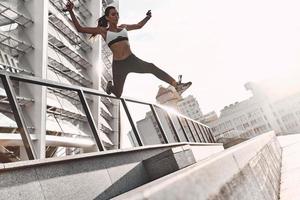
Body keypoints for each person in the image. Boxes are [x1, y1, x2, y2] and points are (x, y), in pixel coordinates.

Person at [64, 1, 192, 98]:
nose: (116, 16)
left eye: (117, 14)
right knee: (118, 94)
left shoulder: (124, 27)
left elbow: (139, 25)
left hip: (132, 60)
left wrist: (147, 17)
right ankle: (110, 87)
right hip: (119, 65)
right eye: (113, 14)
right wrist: (71, 11)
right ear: (108, 17)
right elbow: (80, 28)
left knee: (152, 67)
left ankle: (177, 85)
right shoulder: (103, 31)